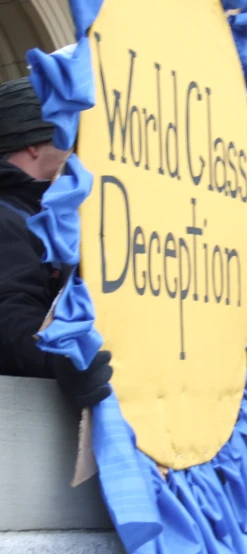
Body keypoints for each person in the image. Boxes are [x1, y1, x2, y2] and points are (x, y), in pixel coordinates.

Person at [0, 76, 112, 409]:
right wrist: (62, 358)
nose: (78, 151)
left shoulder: (51, 219)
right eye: (69, 135)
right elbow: (9, 314)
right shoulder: (7, 219)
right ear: (33, 144)